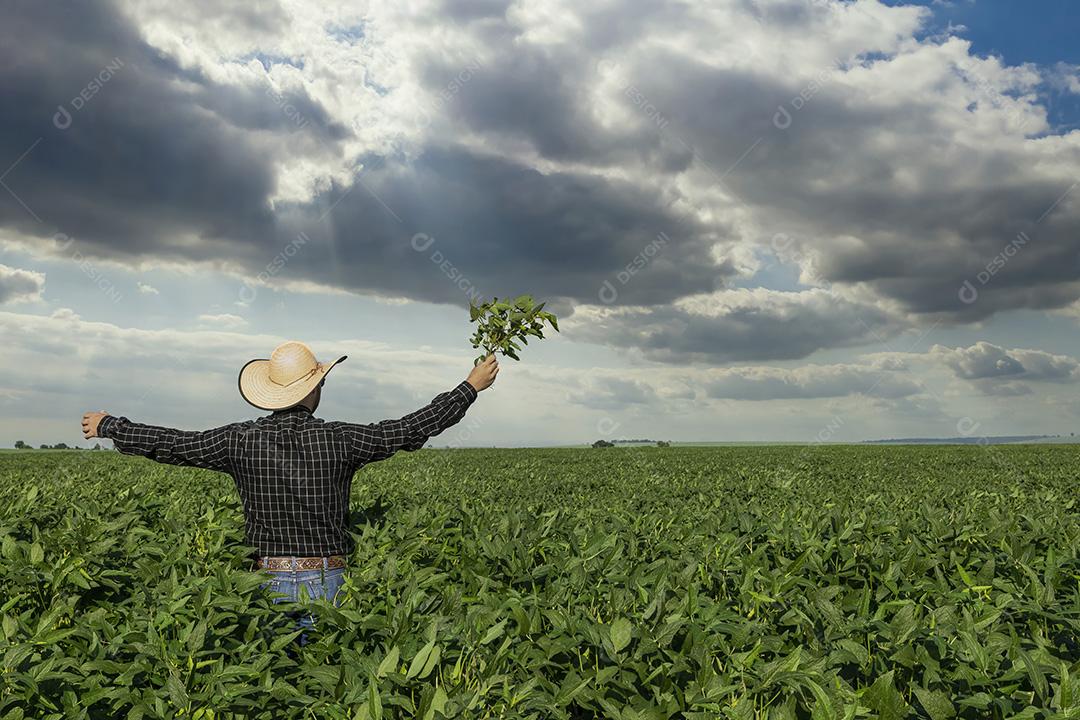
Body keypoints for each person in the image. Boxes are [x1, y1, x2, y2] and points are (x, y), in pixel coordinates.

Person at [81, 341, 499, 646]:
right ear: (313, 389)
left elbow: (174, 443)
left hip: (265, 578)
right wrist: (470, 386)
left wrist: (111, 425)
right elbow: (409, 428)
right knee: (323, 688)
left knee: (279, 686)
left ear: (273, 395)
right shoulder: (342, 440)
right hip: (328, 577)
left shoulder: (239, 440)